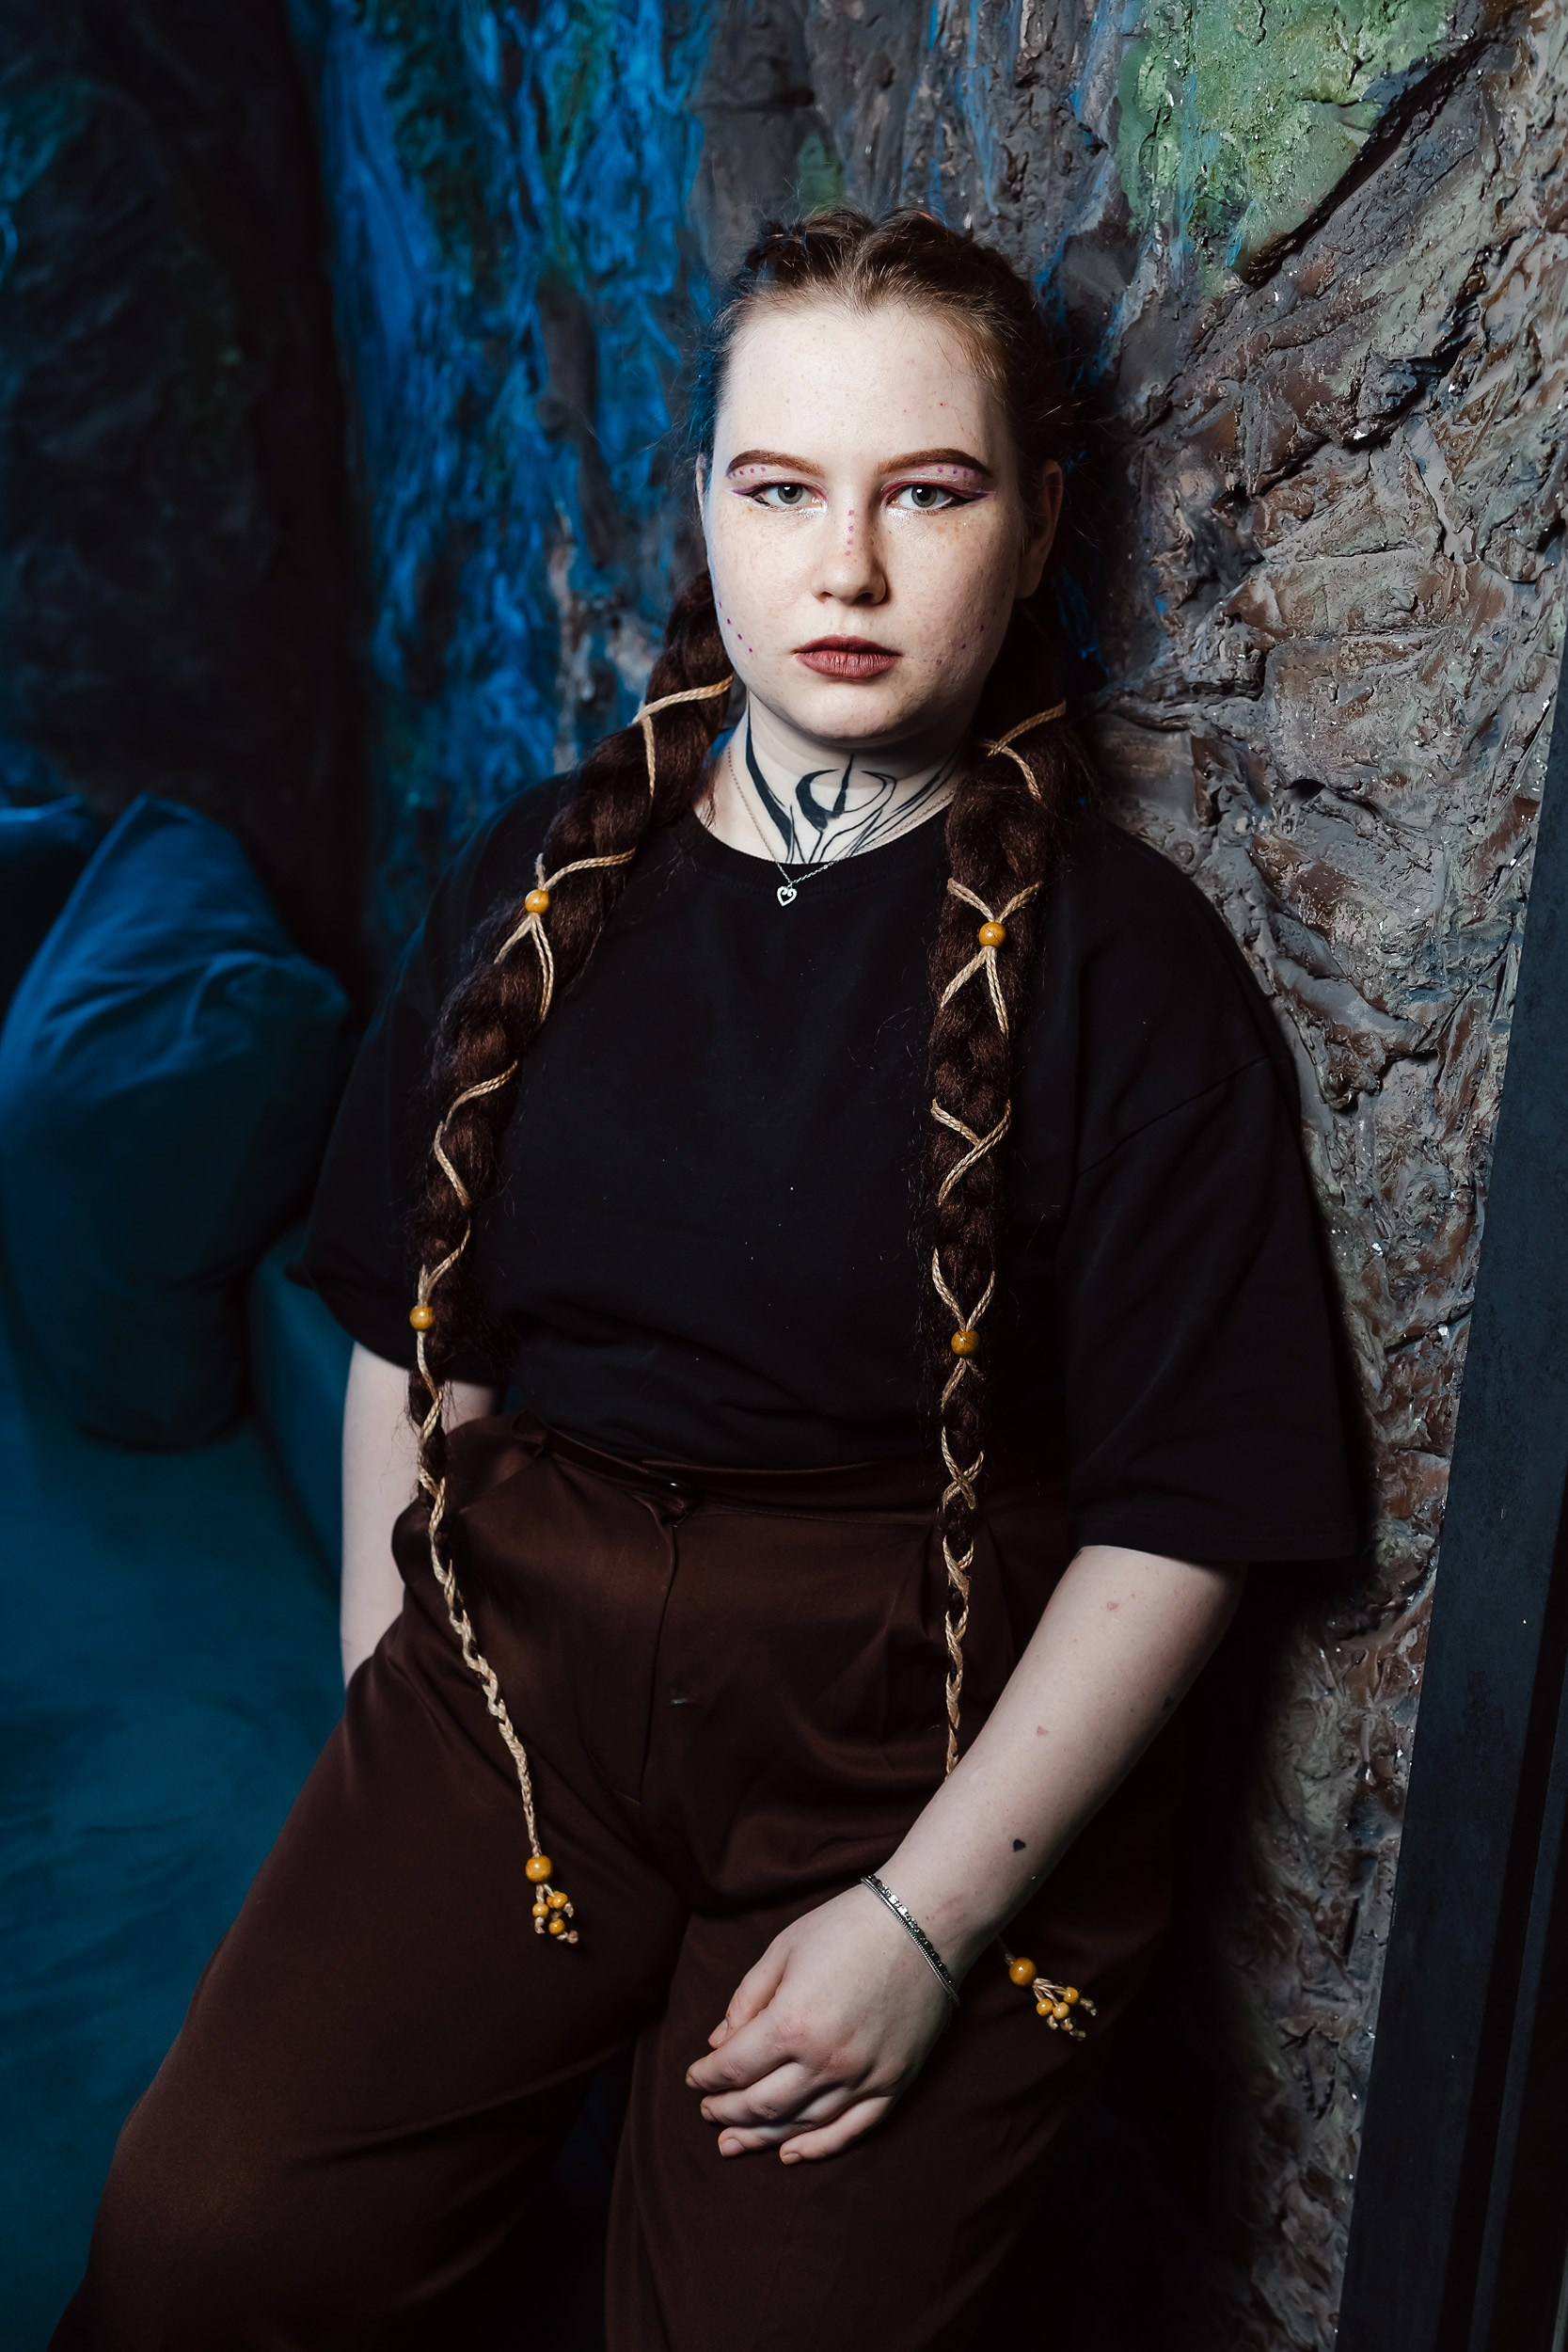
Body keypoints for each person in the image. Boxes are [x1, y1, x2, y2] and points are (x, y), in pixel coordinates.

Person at [55, 208, 1358, 2350]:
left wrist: (924, 1926)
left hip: (905, 1741)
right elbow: (410, 1337)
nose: (845, 568)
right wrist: (398, 1708)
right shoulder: (536, 883)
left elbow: (1189, 1512)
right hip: (519, 1678)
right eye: (781, 488)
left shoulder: (1131, 974)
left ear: (1039, 529)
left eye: (925, 493)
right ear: (705, 510)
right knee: (202, 2245)